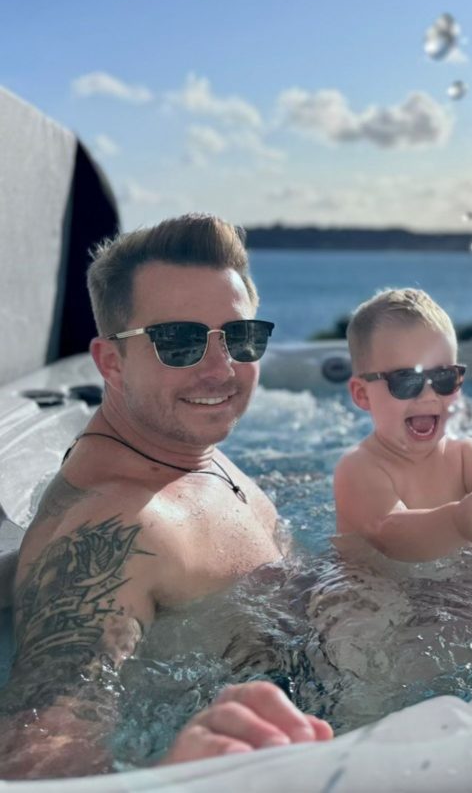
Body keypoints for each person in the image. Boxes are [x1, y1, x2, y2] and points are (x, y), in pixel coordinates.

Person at [1, 214, 332, 780]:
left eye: (240, 337)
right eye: (178, 341)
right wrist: (177, 775)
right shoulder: (116, 530)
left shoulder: (186, 449)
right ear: (111, 362)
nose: (221, 368)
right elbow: (37, 756)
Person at [333, 288, 472, 561]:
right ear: (362, 394)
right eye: (406, 380)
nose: (428, 395)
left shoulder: (466, 456)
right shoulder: (358, 468)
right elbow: (390, 537)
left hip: (462, 577)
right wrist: (457, 522)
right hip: (375, 580)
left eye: (444, 377)